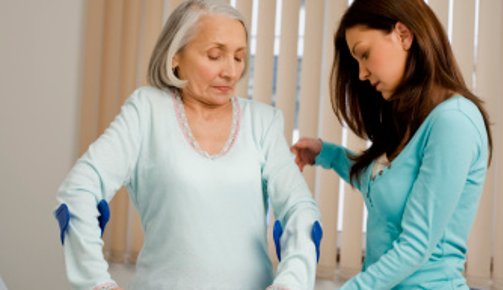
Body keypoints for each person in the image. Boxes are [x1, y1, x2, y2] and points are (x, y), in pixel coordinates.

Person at [54, 1, 321, 289]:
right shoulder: (147, 111)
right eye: (215, 55)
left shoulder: (263, 122)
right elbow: (78, 192)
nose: (231, 72)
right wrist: (97, 282)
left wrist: (290, 283)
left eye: (240, 57)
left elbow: (301, 211)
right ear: (175, 57)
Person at [292, 0, 492, 289]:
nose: (361, 73)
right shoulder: (411, 119)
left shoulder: (454, 123)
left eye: (365, 54)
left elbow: (415, 245)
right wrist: (326, 154)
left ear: (403, 35)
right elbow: (383, 184)